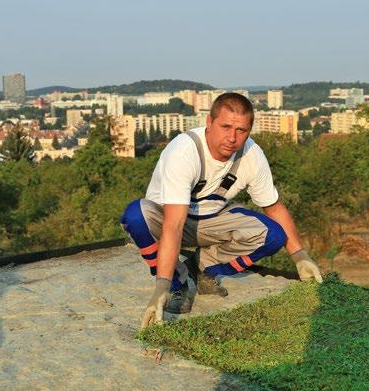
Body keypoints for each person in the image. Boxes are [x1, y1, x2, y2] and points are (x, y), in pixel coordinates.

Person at [120, 92, 322, 329]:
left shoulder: (252, 155)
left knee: (274, 235)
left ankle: (204, 268)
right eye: (226, 127)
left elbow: (274, 207)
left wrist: (300, 257)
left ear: (249, 131)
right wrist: (161, 288)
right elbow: (174, 225)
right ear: (209, 123)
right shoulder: (184, 152)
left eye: (242, 130)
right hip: (167, 220)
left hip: (212, 220)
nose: (232, 138)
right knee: (135, 215)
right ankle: (177, 284)